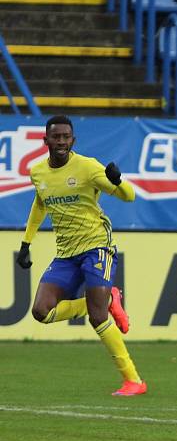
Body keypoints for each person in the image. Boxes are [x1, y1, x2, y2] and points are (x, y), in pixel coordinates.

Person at [15, 115, 146, 396]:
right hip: (66, 252)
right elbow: (40, 204)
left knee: (97, 317)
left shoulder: (88, 167)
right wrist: (26, 243)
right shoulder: (38, 173)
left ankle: (133, 380)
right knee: (42, 312)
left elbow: (129, 197)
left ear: (73, 140)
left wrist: (118, 181)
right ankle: (109, 298)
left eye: (66, 137)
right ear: (46, 140)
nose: (61, 142)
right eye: (56, 137)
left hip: (97, 244)